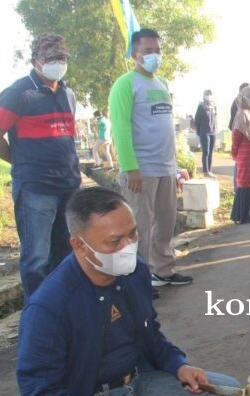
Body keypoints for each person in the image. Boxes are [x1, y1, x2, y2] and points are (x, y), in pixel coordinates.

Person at [16, 187, 240, 396]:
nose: (128, 246)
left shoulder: (133, 271)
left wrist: (178, 365)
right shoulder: (49, 307)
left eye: (132, 234)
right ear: (79, 244)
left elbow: (153, 337)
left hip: (137, 386)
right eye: (114, 241)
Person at [0, 33, 80, 300]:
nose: (58, 63)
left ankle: (64, 306)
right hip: (36, 187)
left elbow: (67, 138)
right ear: (36, 60)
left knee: (66, 251)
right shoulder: (18, 93)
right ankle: (40, 315)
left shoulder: (67, 93)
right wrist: (22, 162)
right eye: (51, 58)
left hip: (68, 185)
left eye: (62, 58)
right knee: (37, 256)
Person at [109, 28, 193, 292]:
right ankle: (138, 282)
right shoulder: (125, 84)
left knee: (166, 224)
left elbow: (165, 127)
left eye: (157, 50)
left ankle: (164, 270)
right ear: (134, 54)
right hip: (141, 171)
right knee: (139, 229)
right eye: (147, 51)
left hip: (166, 169)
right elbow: (120, 128)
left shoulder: (162, 84)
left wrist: (176, 167)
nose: (153, 55)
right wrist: (130, 167)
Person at [230, 86, 250, 224]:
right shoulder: (242, 113)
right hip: (245, 153)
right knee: (246, 182)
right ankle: (245, 214)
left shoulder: (249, 112)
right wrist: (234, 151)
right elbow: (236, 134)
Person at [194, 89, 217, 178]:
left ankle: (210, 170)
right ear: (204, 95)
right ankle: (205, 171)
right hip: (204, 132)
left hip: (213, 132)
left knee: (211, 152)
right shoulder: (201, 106)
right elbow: (197, 121)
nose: (209, 96)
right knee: (206, 152)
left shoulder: (214, 106)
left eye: (210, 94)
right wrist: (199, 132)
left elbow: (215, 119)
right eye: (207, 94)